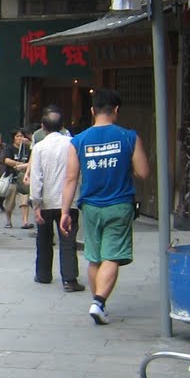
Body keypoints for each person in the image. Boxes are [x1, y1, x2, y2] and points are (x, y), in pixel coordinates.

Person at [61, 87, 150, 324]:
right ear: (116, 110)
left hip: (89, 206)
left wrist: (64, 211)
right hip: (119, 205)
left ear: (92, 111)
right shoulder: (129, 137)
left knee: (94, 257)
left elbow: (70, 178)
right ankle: (98, 302)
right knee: (113, 255)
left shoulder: (78, 141)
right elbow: (143, 172)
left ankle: (98, 303)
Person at [28, 107, 83, 292]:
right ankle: (69, 279)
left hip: (46, 200)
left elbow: (37, 177)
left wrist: (35, 203)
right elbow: (78, 174)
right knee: (68, 240)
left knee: (43, 239)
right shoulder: (73, 143)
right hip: (69, 200)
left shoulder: (39, 147)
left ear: (43, 127)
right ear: (62, 126)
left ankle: (43, 274)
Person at [3, 127, 32, 229]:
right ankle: (8, 220)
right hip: (13, 177)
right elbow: (6, 160)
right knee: (10, 203)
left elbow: (32, 161)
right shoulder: (10, 148)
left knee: (24, 201)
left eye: (22, 136)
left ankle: (25, 221)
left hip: (24, 177)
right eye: (18, 136)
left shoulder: (28, 149)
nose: (20, 138)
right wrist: (19, 164)